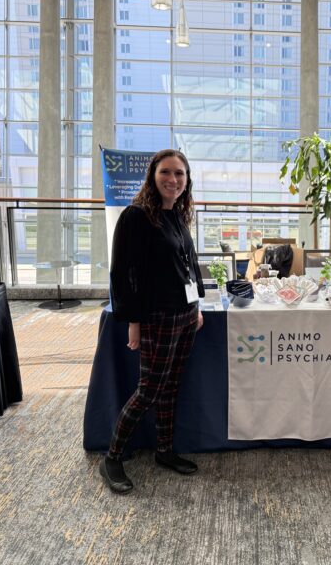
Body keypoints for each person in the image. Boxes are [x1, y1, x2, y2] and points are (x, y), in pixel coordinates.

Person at [100, 148, 205, 494]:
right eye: (166, 172)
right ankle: (112, 456)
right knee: (148, 391)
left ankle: (164, 451)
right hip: (157, 316)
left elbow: (188, 263)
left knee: (172, 387)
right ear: (152, 175)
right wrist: (133, 321)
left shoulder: (177, 214)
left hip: (186, 315)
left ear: (187, 181)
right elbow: (123, 273)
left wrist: (198, 306)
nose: (173, 180)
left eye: (179, 174)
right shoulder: (136, 216)